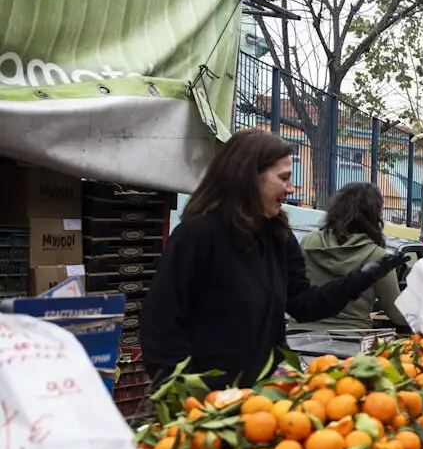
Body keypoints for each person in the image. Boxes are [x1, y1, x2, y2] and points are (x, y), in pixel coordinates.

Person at [142, 129, 405, 389]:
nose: (291, 188)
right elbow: (160, 323)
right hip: (207, 402)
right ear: (249, 177)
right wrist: (184, 391)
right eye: (284, 178)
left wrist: (364, 276)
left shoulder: (278, 237)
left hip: (262, 396)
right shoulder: (196, 236)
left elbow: (304, 304)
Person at [290, 183, 407, 332]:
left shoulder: (308, 242)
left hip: (299, 337)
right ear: (374, 214)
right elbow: (398, 316)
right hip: (350, 342)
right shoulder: (377, 256)